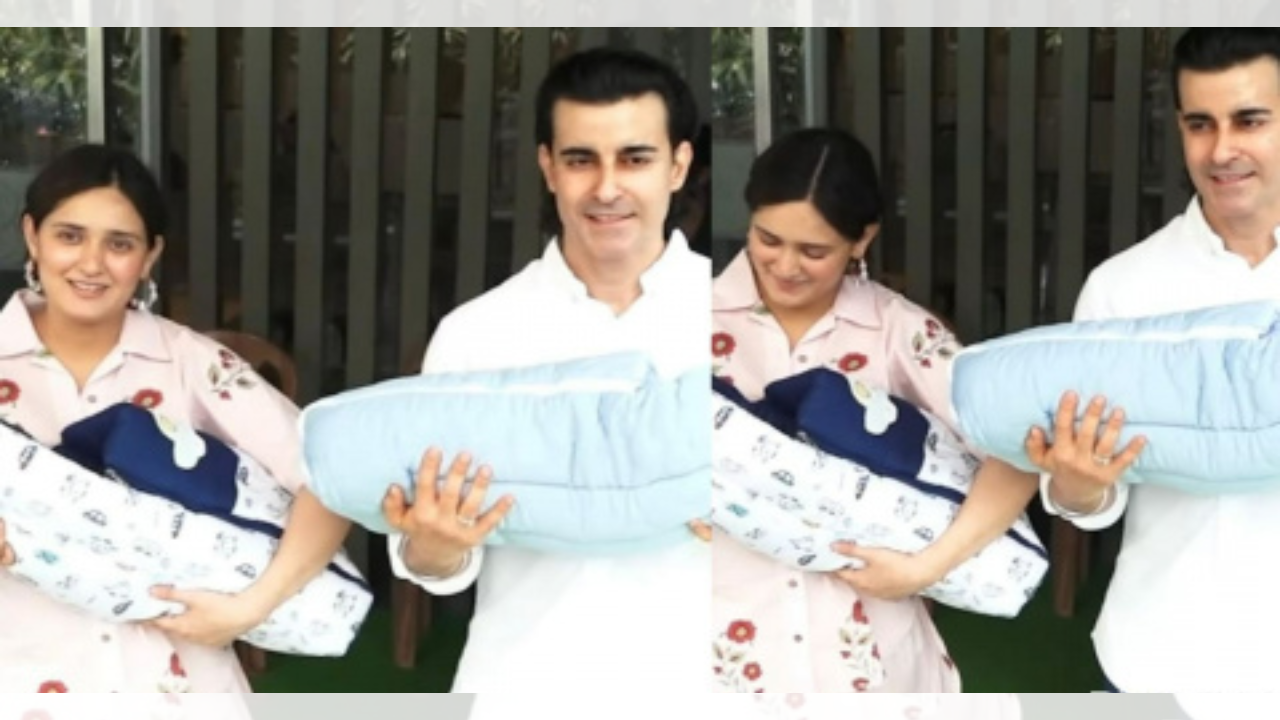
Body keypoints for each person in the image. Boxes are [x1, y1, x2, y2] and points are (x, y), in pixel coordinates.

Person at [380, 47, 709, 713]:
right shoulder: (478, 334)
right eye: (581, 160)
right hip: (524, 683)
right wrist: (433, 548)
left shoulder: (740, 321)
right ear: (547, 167)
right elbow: (433, 563)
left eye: (635, 159)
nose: (607, 188)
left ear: (678, 165)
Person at [0, 145, 351, 710]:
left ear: (150, 256)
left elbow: (332, 477)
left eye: (120, 244)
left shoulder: (192, 363)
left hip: (177, 688)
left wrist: (250, 608)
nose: (91, 263)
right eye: (69, 236)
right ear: (32, 236)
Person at [711, 127, 1038, 692]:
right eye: (768, 239)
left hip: (871, 659)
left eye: (814, 251)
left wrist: (925, 568)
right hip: (727, 650)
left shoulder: (900, 331)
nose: (784, 265)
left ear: (862, 240)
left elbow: (1018, 452)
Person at [1026, 28, 1280, 693]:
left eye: (1250, 120)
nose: (1221, 150)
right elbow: (1092, 500)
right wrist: (1077, 487)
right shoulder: (1124, 288)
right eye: (1200, 124)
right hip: (1158, 653)